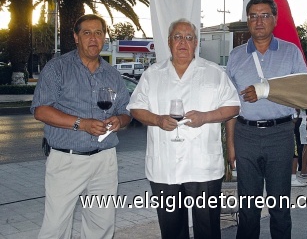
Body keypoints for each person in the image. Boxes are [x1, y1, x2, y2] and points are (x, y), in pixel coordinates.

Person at [127, 18, 240, 239]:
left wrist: (206, 117)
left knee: (207, 230)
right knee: (171, 231)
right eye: (178, 37)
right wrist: (158, 120)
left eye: (189, 38)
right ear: (169, 42)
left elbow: (233, 106)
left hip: (203, 167)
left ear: (196, 42)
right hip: (165, 167)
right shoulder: (153, 74)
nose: (183, 42)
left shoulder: (213, 72)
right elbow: (135, 108)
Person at [31, 14, 132, 239]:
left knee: (101, 224)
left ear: (104, 37)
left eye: (98, 33)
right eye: (87, 33)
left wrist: (120, 121)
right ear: (76, 37)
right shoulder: (58, 68)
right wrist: (81, 124)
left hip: (104, 160)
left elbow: (126, 111)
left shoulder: (112, 75)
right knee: (56, 226)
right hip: (67, 160)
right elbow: (41, 110)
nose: (93, 38)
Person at [226, 0, 307, 239]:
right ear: (247, 21)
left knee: (280, 207)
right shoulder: (235, 56)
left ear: (275, 19)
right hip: (246, 135)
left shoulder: (290, 52)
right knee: (247, 208)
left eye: (265, 15)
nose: (259, 21)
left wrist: (266, 92)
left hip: (280, 134)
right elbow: (231, 106)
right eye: (253, 16)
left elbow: (304, 97)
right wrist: (231, 145)